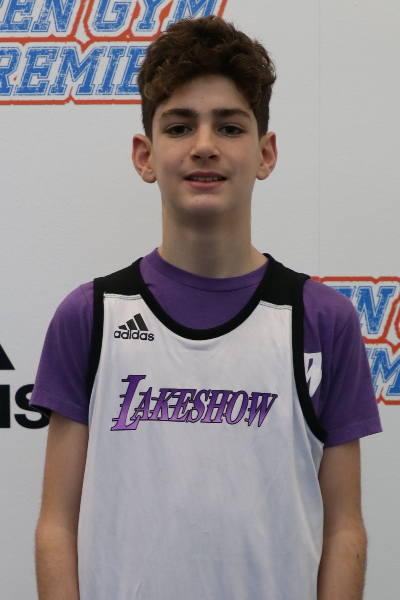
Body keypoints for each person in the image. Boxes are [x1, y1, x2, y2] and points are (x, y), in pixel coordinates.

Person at [31, 15, 382, 600]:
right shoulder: (90, 317)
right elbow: (56, 527)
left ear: (265, 153)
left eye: (229, 126)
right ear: (145, 155)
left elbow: (345, 527)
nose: (203, 145)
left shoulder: (323, 321)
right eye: (179, 126)